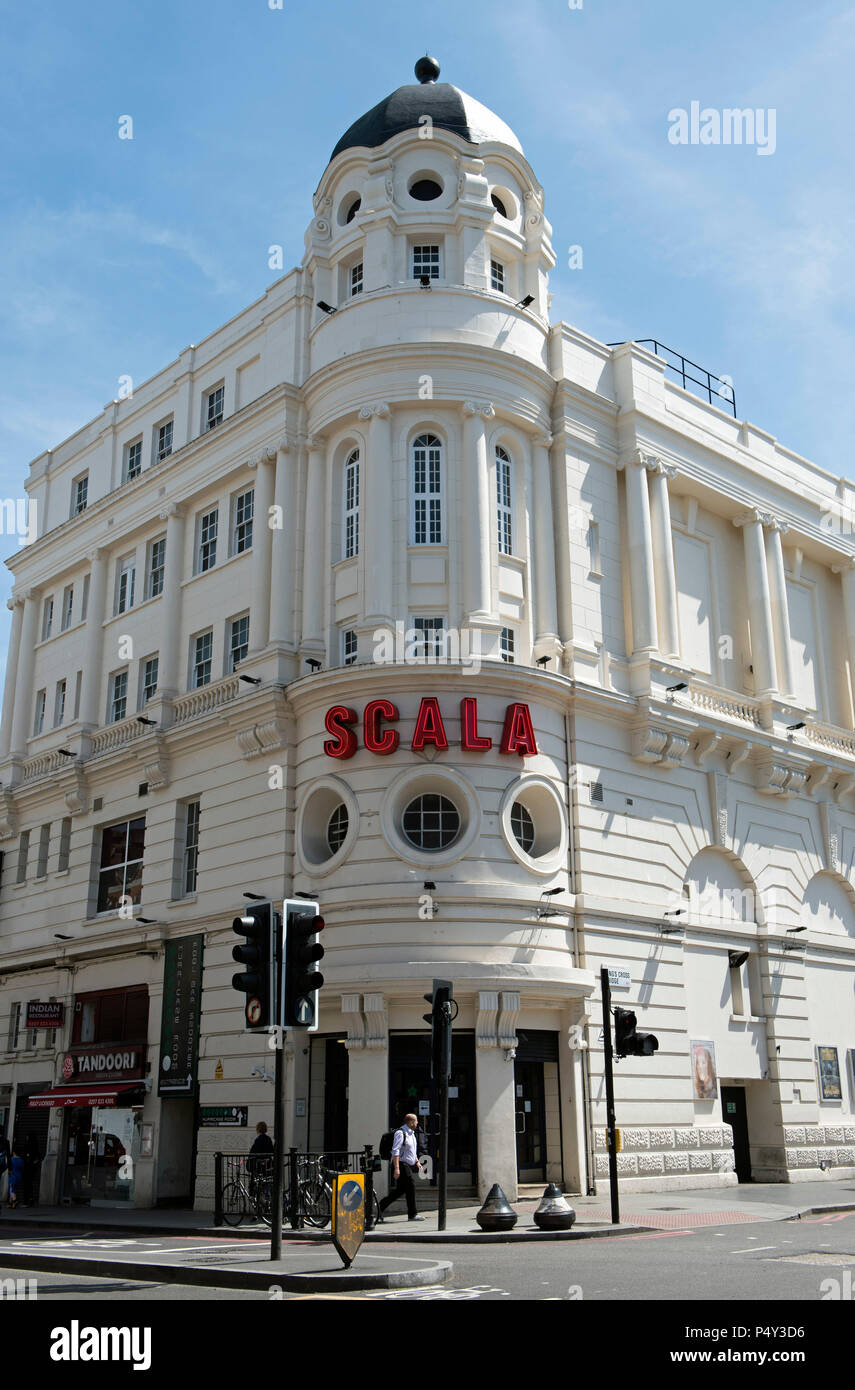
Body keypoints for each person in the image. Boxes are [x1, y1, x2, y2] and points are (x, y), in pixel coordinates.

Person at [378, 1114, 426, 1221]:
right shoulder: (401, 1133)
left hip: (405, 1164)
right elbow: (396, 1150)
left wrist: (417, 1162)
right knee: (411, 1185)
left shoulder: (412, 1134)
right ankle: (412, 1214)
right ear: (411, 1122)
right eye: (416, 1121)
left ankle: (380, 1206)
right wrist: (396, 1168)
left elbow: (411, 1151)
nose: (417, 1123)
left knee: (400, 1190)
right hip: (400, 1164)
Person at [22, 1134, 41, 1207]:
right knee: (30, 1185)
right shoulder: (35, 1147)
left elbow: (24, 1156)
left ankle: (26, 1201)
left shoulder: (27, 1146)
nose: (26, 1137)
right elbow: (39, 1157)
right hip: (32, 1169)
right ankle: (31, 1199)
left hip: (27, 1168)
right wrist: (34, 1163)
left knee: (26, 1185)